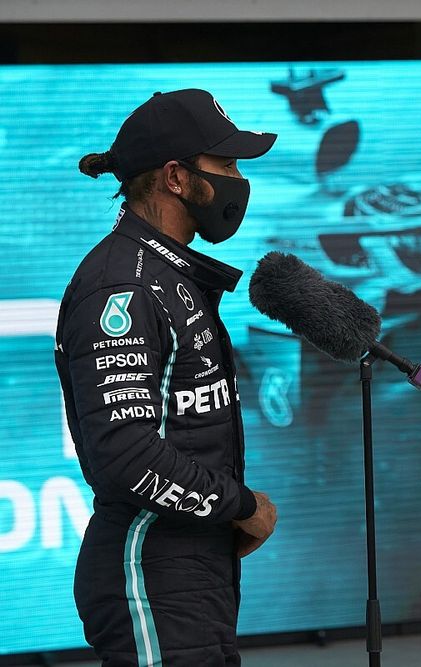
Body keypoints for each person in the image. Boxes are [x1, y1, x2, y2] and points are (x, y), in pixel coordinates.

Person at [55, 89, 279, 666]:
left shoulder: (166, 274)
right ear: (176, 177)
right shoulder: (122, 286)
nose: (237, 180)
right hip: (149, 566)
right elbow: (125, 454)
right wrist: (240, 504)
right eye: (225, 165)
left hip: (190, 568)